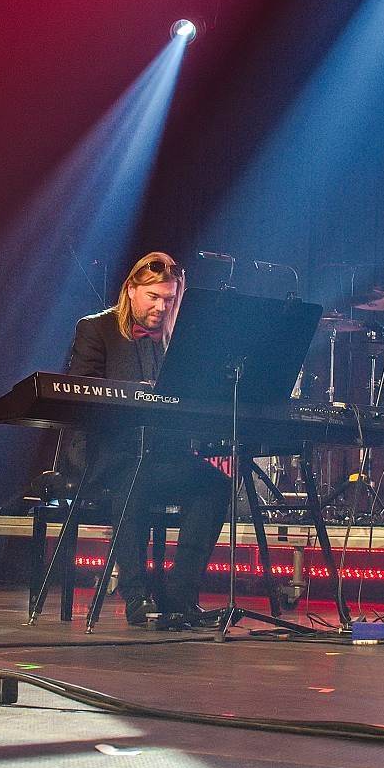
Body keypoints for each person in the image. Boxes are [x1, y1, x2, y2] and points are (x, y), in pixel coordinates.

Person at [64, 252, 229, 628]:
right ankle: (136, 595)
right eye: (153, 296)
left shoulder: (178, 340)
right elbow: (78, 396)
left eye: (169, 300)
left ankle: (180, 596)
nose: (160, 306)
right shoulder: (97, 330)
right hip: (108, 454)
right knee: (133, 477)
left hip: (163, 455)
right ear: (131, 291)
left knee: (216, 486)